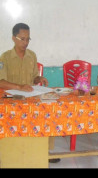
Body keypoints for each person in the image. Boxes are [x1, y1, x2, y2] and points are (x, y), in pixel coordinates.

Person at [0, 23, 59, 163]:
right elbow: (1, 82)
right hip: (12, 99)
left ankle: (44, 151)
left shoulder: (32, 55)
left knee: (48, 112)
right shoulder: (5, 57)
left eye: (28, 39)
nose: (25, 42)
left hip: (30, 98)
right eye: (22, 39)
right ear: (13, 38)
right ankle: (10, 153)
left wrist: (40, 79)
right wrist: (19, 87)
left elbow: (34, 77)